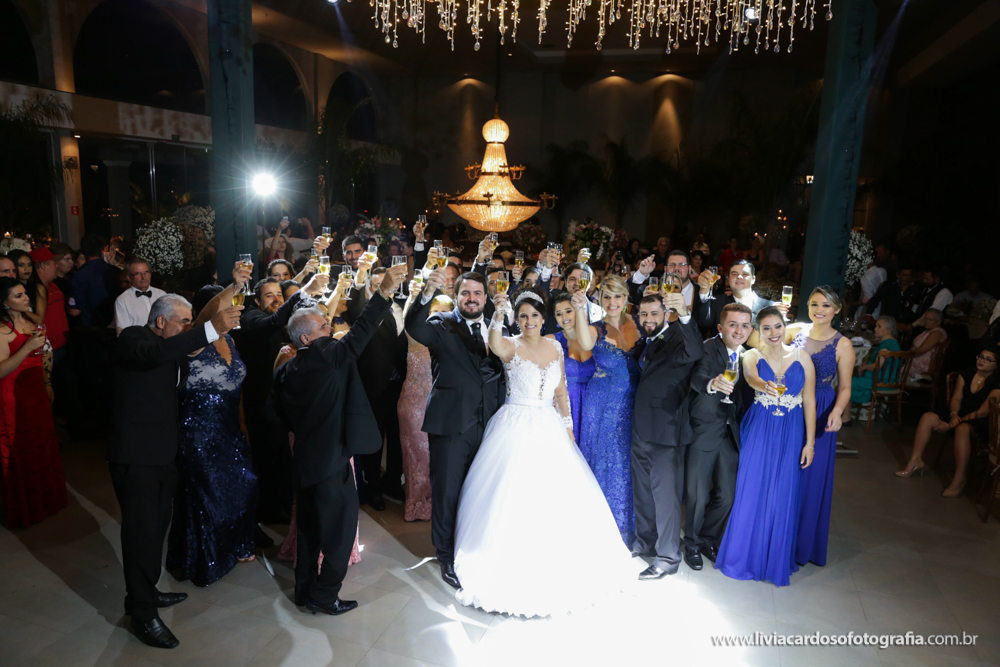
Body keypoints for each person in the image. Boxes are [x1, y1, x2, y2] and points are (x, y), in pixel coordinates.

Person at [451, 286, 635, 616]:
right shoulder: (510, 344)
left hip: (549, 424)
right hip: (514, 423)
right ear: (517, 320)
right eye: (523, 316)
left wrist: (567, 426)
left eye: (534, 315)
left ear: (542, 317)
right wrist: (499, 312)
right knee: (514, 493)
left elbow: (561, 391)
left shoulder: (555, 346)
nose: (529, 321)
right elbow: (494, 343)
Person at [268, 264, 407, 616]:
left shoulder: (285, 370)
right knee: (340, 533)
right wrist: (383, 293)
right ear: (306, 339)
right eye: (323, 327)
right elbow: (361, 332)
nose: (331, 329)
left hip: (304, 460)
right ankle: (325, 594)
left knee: (309, 531)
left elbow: (277, 415)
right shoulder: (327, 354)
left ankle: (304, 590)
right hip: (331, 462)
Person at [111, 291, 242, 647]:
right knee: (140, 535)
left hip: (164, 454)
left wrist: (214, 320)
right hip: (137, 457)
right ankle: (142, 614)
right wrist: (209, 329)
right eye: (183, 322)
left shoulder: (173, 348)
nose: (188, 328)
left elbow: (183, 351)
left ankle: (146, 592)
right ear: (160, 321)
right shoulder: (134, 338)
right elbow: (155, 354)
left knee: (156, 531)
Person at [404, 268, 507, 589]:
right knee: (447, 492)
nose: (471, 299)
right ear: (456, 295)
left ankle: (474, 548)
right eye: (465, 293)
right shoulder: (441, 323)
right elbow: (413, 326)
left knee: (481, 492)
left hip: (491, 425)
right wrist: (425, 294)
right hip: (451, 424)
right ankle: (446, 555)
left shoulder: (500, 327)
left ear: (486, 297)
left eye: (477, 293)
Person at [165, 277, 260, 586]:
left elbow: (236, 386)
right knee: (208, 492)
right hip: (198, 430)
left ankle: (236, 544)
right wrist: (234, 284)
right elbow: (207, 317)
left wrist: (242, 422)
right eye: (227, 307)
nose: (233, 313)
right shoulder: (192, 341)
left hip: (229, 426)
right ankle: (208, 558)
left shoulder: (230, 341)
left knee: (245, 482)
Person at [716, 307, 816, 587]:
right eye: (766, 328)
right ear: (758, 331)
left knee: (783, 490)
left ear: (786, 326)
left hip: (791, 429)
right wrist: (764, 385)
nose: (773, 333)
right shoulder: (752, 355)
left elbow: (809, 401)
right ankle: (743, 557)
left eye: (778, 326)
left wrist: (809, 443)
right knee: (752, 488)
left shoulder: (803, 358)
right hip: (760, 426)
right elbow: (750, 377)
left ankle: (774, 559)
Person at [629, 290, 704, 579]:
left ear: (666, 315)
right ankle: (646, 542)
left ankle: (668, 557)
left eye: (654, 314)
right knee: (643, 493)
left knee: (666, 499)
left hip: (666, 431)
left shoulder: (678, 337)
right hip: (640, 428)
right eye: (644, 314)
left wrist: (685, 314)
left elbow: (695, 351)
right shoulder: (645, 341)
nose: (648, 319)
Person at [232, 276, 317, 526]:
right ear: (257, 301)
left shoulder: (282, 319)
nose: (276, 299)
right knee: (266, 462)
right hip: (260, 405)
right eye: (269, 295)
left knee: (283, 461)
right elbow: (273, 321)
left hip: (282, 406)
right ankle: (266, 514)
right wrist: (304, 291)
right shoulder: (251, 317)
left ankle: (283, 508)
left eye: (279, 294)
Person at [785, 287, 855, 569]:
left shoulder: (843, 344)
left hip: (822, 407)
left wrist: (837, 411)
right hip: (791, 404)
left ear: (836, 310)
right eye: (814, 304)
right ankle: (780, 537)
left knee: (811, 477)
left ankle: (802, 545)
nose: (819, 310)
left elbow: (846, 387)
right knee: (787, 471)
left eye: (826, 305)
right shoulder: (795, 331)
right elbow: (762, 342)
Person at [683, 303, 753, 571]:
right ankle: (691, 545)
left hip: (730, 431)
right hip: (703, 428)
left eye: (745, 325)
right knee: (697, 494)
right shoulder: (707, 348)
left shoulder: (748, 356)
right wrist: (712, 384)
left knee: (727, 496)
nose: (739, 330)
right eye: (733, 324)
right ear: (721, 327)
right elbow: (697, 377)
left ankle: (707, 539)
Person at [578, 276, 641, 543]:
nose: (612, 302)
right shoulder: (596, 328)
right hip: (602, 403)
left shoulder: (639, 323)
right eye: (606, 296)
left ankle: (628, 524)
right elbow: (584, 343)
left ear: (626, 298)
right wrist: (579, 309)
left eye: (617, 296)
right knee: (605, 457)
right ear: (599, 299)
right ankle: (602, 528)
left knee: (626, 461)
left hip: (633, 401)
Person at [0, 278, 66, 528]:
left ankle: (47, 502)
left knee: (42, 443)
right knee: (23, 449)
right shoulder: (2, 330)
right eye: (18, 296)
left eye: (24, 293)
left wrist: (47, 381)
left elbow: (42, 356)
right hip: (15, 396)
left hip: (36, 391)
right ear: (4, 303)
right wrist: (27, 347)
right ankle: (27, 509)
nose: (26, 297)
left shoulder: (30, 322)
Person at [344, 259, 408, 509]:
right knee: (375, 440)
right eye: (379, 284)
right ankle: (374, 487)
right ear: (370, 287)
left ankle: (393, 482)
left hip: (402, 385)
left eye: (388, 283)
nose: (386, 287)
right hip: (374, 386)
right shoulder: (365, 311)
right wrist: (361, 274)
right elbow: (354, 302)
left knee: (398, 438)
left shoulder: (402, 306)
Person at [895, 346, 1000, 497]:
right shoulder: (966, 373)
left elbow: (982, 412)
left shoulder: (997, 383)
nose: (982, 361)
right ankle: (915, 461)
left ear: (996, 365)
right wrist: (954, 415)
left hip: (980, 420)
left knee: (962, 429)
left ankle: (960, 478)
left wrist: (953, 424)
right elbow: (956, 399)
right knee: (927, 417)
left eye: (988, 359)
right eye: (981, 357)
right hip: (959, 413)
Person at [397, 289, 453, 521]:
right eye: (434, 311)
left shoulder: (453, 339)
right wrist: (414, 298)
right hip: (414, 406)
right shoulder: (416, 337)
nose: (438, 316)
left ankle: (438, 504)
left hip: (441, 405)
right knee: (417, 457)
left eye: (444, 312)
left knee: (439, 457)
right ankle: (418, 504)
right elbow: (410, 320)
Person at [547, 291, 596, 443]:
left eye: (568, 311)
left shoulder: (595, 336)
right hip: (566, 404)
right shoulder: (551, 341)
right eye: (559, 314)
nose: (564, 317)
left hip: (593, 403)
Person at [694, 260, 785, 336]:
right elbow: (703, 322)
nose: (739, 277)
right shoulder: (717, 302)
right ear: (728, 279)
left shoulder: (769, 307)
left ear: (753, 279)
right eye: (734, 274)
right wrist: (703, 290)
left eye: (745, 274)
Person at [847, 316, 902, 412]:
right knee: (852, 380)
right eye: (876, 326)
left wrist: (864, 367)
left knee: (846, 383)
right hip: (888, 381)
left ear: (889, 330)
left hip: (879, 382)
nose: (875, 329)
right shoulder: (893, 343)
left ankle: (846, 415)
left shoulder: (887, 345)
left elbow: (876, 366)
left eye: (879, 326)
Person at [114, 259, 165, 335]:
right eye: (138, 274)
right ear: (129, 277)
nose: (143, 277)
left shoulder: (162, 295)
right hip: (140, 341)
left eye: (146, 272)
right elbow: (123, 333)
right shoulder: (122, 300)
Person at [906, 308, 948, 380]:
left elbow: (921, 351)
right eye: (925, 319)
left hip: (923, 367)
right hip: (913, 360)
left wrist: (904, 356)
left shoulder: (937, 333)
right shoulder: (928, 330)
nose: (926, 321)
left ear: (939, 321)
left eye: (930, 320)